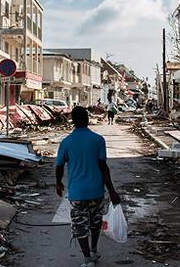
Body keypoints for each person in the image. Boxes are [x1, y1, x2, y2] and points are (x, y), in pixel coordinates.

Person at [56, 107, 121, 267]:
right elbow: (103, 168)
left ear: (73, 121)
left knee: (79, 225)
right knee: (95, 222)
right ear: (87, 119)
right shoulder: (98, 140)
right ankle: (94, 249)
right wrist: (112, 191)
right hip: (96, 191)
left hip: (77, 193)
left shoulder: (66, 142)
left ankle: (87, 258)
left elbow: (59, 166)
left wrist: (58, 183)